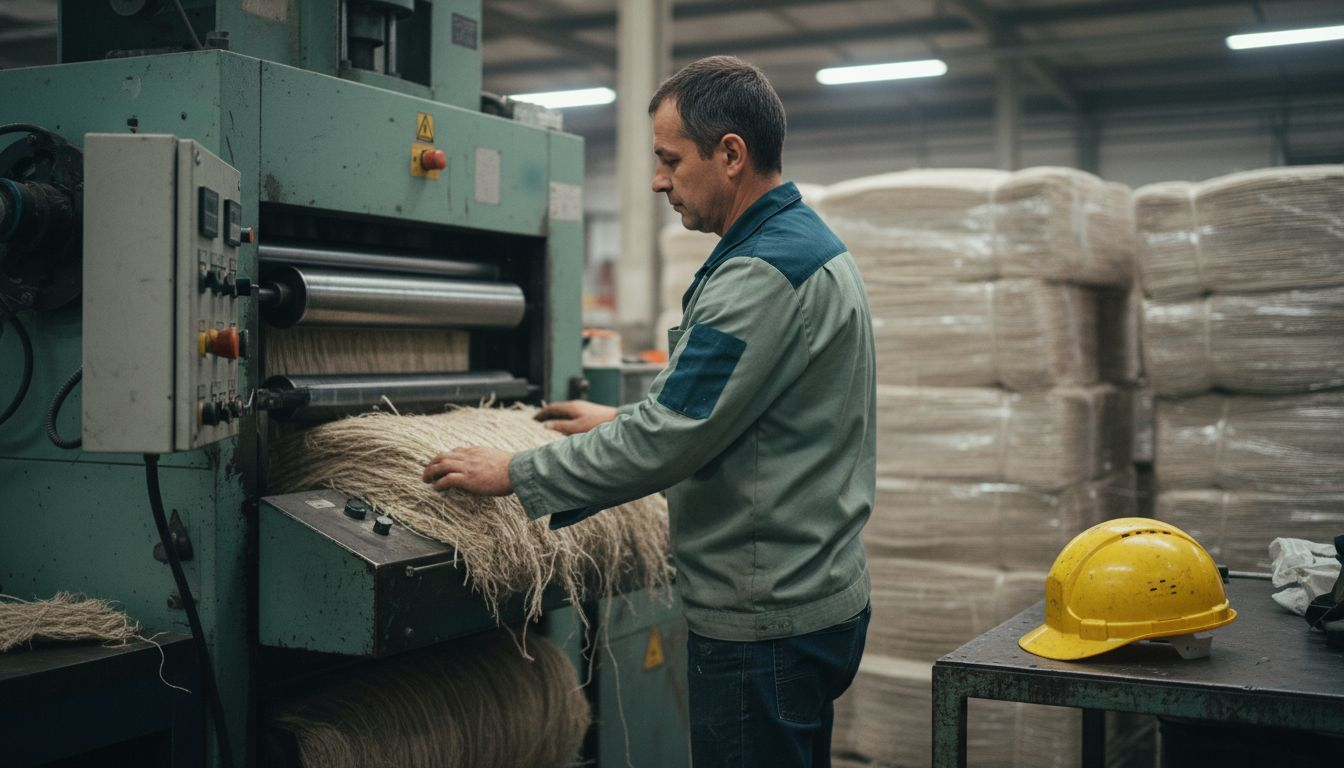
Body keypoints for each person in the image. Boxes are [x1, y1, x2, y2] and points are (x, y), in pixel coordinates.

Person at [423, 55, 875, 768]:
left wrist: (516, 470)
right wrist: (614, 419)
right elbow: (742, 405)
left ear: (731, 154)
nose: (658, 180)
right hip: (811, 591)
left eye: (670, 160)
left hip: (764, 618)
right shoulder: (802, 246)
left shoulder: (759, 276)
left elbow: (672, 436)